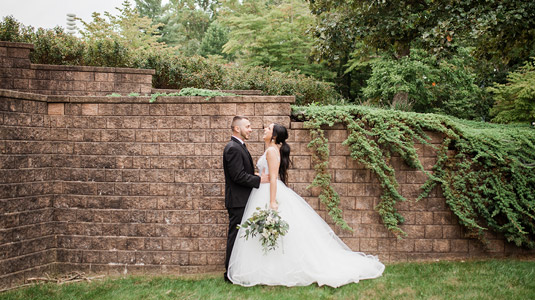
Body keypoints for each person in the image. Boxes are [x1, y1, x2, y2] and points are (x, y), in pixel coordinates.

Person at [227, 123, 385, 287]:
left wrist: (272, 202)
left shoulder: (273, 151)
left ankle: (279, 268)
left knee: (278, 232)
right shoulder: (270, 149)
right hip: (262, 191)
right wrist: (257, 176)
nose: (264, 129)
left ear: (274, 135)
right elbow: (266, 174)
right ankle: (267, 267)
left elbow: (273, 178)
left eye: (268, 128)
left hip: (269, 193)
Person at [222, 116, 268, 283]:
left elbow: (241, 172)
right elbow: (237, 176)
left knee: (240, 236)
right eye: (247, 126)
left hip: (242, 199)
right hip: (238, 201)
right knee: (235, 236)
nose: (250, 129)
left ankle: (237, 270)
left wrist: (254, 175)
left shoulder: (238, 146)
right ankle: (229, 274)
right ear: (237, 129)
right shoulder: (233, 148)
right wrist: (259, 180)